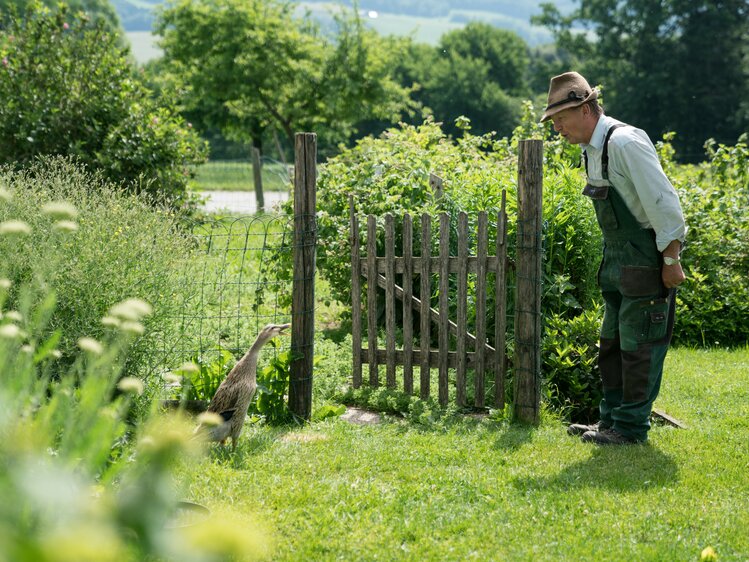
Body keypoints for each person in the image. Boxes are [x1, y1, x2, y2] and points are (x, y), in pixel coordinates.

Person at [541, 71, 687, 445]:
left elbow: (664, 203)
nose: (557, 127)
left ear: (586, 109)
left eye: (561, 118)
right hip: (618, 267)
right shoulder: (593, 150)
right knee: (611, 348)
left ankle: (631, 428)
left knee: (639, 349)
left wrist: (671, 261)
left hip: (646, 263)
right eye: (554, 120)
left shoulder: (624, 142)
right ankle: (609, 423)